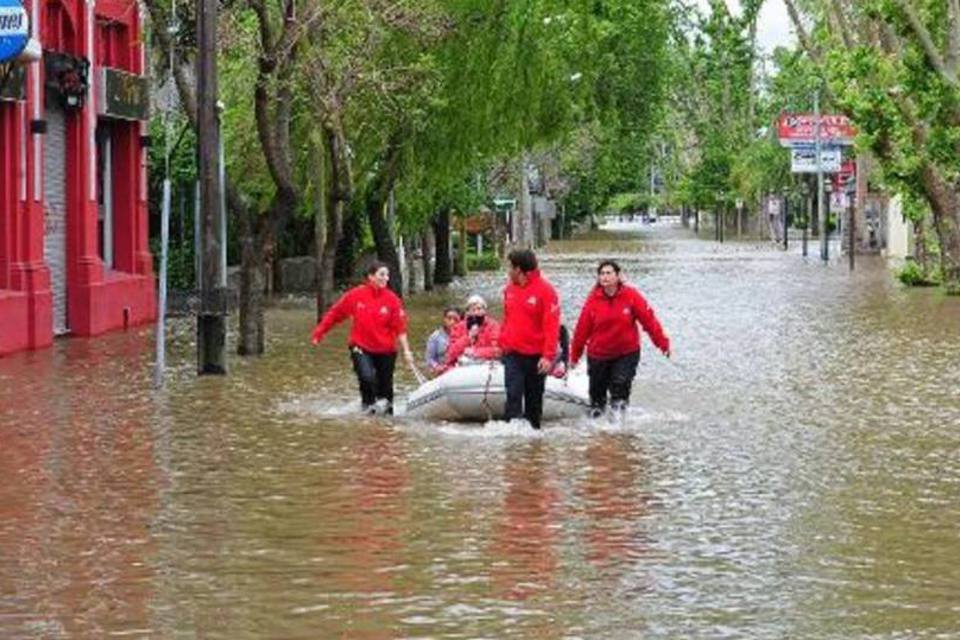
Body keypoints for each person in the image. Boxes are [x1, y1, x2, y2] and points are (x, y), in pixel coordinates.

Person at [310, 261, 415, 414]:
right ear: (371, 277)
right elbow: (335, 314)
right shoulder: (356, 295)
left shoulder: (392, 300)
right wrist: (319, 333)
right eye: (382, 275)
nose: (386, 278)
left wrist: (407, 351)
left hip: (386, 349)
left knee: (385, 390)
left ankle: (386, 425)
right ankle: (367, 412)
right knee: (366, 378)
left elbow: (400, 328)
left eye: (387, 275)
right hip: (361, 346)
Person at [570, 260, 670, 418]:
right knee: (597, 399)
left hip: (626, 354)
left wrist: (662, 343)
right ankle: (599, 434)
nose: (605, 277)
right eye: (602, 274)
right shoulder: (593, 300)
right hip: (598, 355)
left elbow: (649, 321)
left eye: (609, 273)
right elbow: (581, 331)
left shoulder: (631, 296)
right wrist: (574, 356)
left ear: (618, 276)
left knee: (620, 387)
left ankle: (620, 430)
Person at [498, 249, 561, 430]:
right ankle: (512, 440)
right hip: (513, 354)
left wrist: (548, 356)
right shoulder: (509, 289)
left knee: (534, 401)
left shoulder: (546, 291)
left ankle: (533, 446)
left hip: (536, 356)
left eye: (510, 267)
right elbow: (508, 319)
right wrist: (502, 342)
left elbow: (552, 325)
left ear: (519, 269)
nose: (507, 270)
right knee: (513, 394)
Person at [445, 294, 501, 367]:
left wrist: (475, 352)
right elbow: (450, 354)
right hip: (463, 367)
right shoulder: (459, 327)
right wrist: (468, 337)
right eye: (473, 310)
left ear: (484, 311)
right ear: (468, 312)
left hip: (486, 365)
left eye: (479, 309)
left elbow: (498, 351)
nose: (476, 312)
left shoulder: (493, 326)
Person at [425, 307, 462, 375]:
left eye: (455, 319)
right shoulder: (435, 337)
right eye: (449, 318)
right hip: (443, 372)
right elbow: (429, 359)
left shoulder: (465, 336)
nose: (452, 322)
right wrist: (436, 367)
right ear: (444, 319)